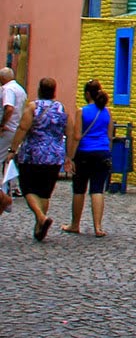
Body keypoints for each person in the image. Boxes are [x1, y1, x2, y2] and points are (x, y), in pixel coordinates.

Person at [5, 76, 69, 240]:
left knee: (28, 188)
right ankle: (39, 226)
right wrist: (69, 155)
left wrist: (13, 149)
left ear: (39, 90)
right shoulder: (61, 108)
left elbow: (23, 127)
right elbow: (70, 131)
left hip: (33, 155)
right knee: (45, 192)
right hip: (54, 156)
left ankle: (41, 217)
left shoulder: (33, 107)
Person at [65, 79, 114, 236]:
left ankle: (75, 224)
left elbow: (77, 135)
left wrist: (70, 157)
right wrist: (107, 152)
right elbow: (110, 136)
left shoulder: (82, 111)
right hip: (103, 152)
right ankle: (98, 227)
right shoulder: (107, 112)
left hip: (84, 153)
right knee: (97, 189)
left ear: (87, 94)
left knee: (79, 189)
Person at [0, 65, 24, 212]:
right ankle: (12, 187)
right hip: (16, 129)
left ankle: (3, 193)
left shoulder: (8, 89)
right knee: (9, 159)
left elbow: (9, 108)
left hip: (7, 129)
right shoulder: (20, 89)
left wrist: (2, 124)